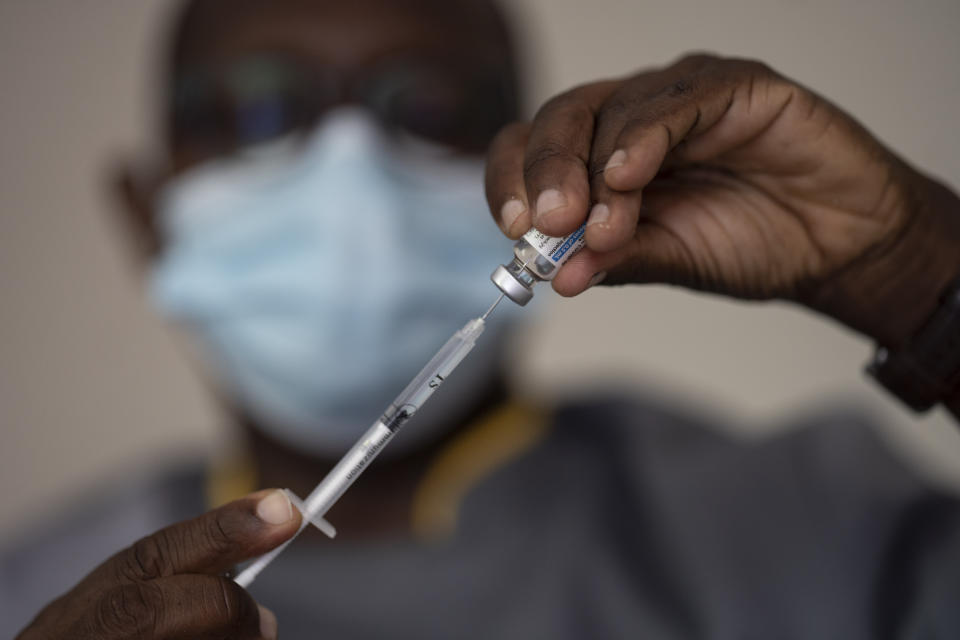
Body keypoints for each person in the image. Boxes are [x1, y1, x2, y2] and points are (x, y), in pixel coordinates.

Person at [7, 0, 960, 638]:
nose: (349, 175)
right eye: (258, 108)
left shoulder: (812, 531)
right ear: (145, 211)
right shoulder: (34, 593)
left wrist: (924, 276)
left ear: (541, 159)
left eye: (426, 105)